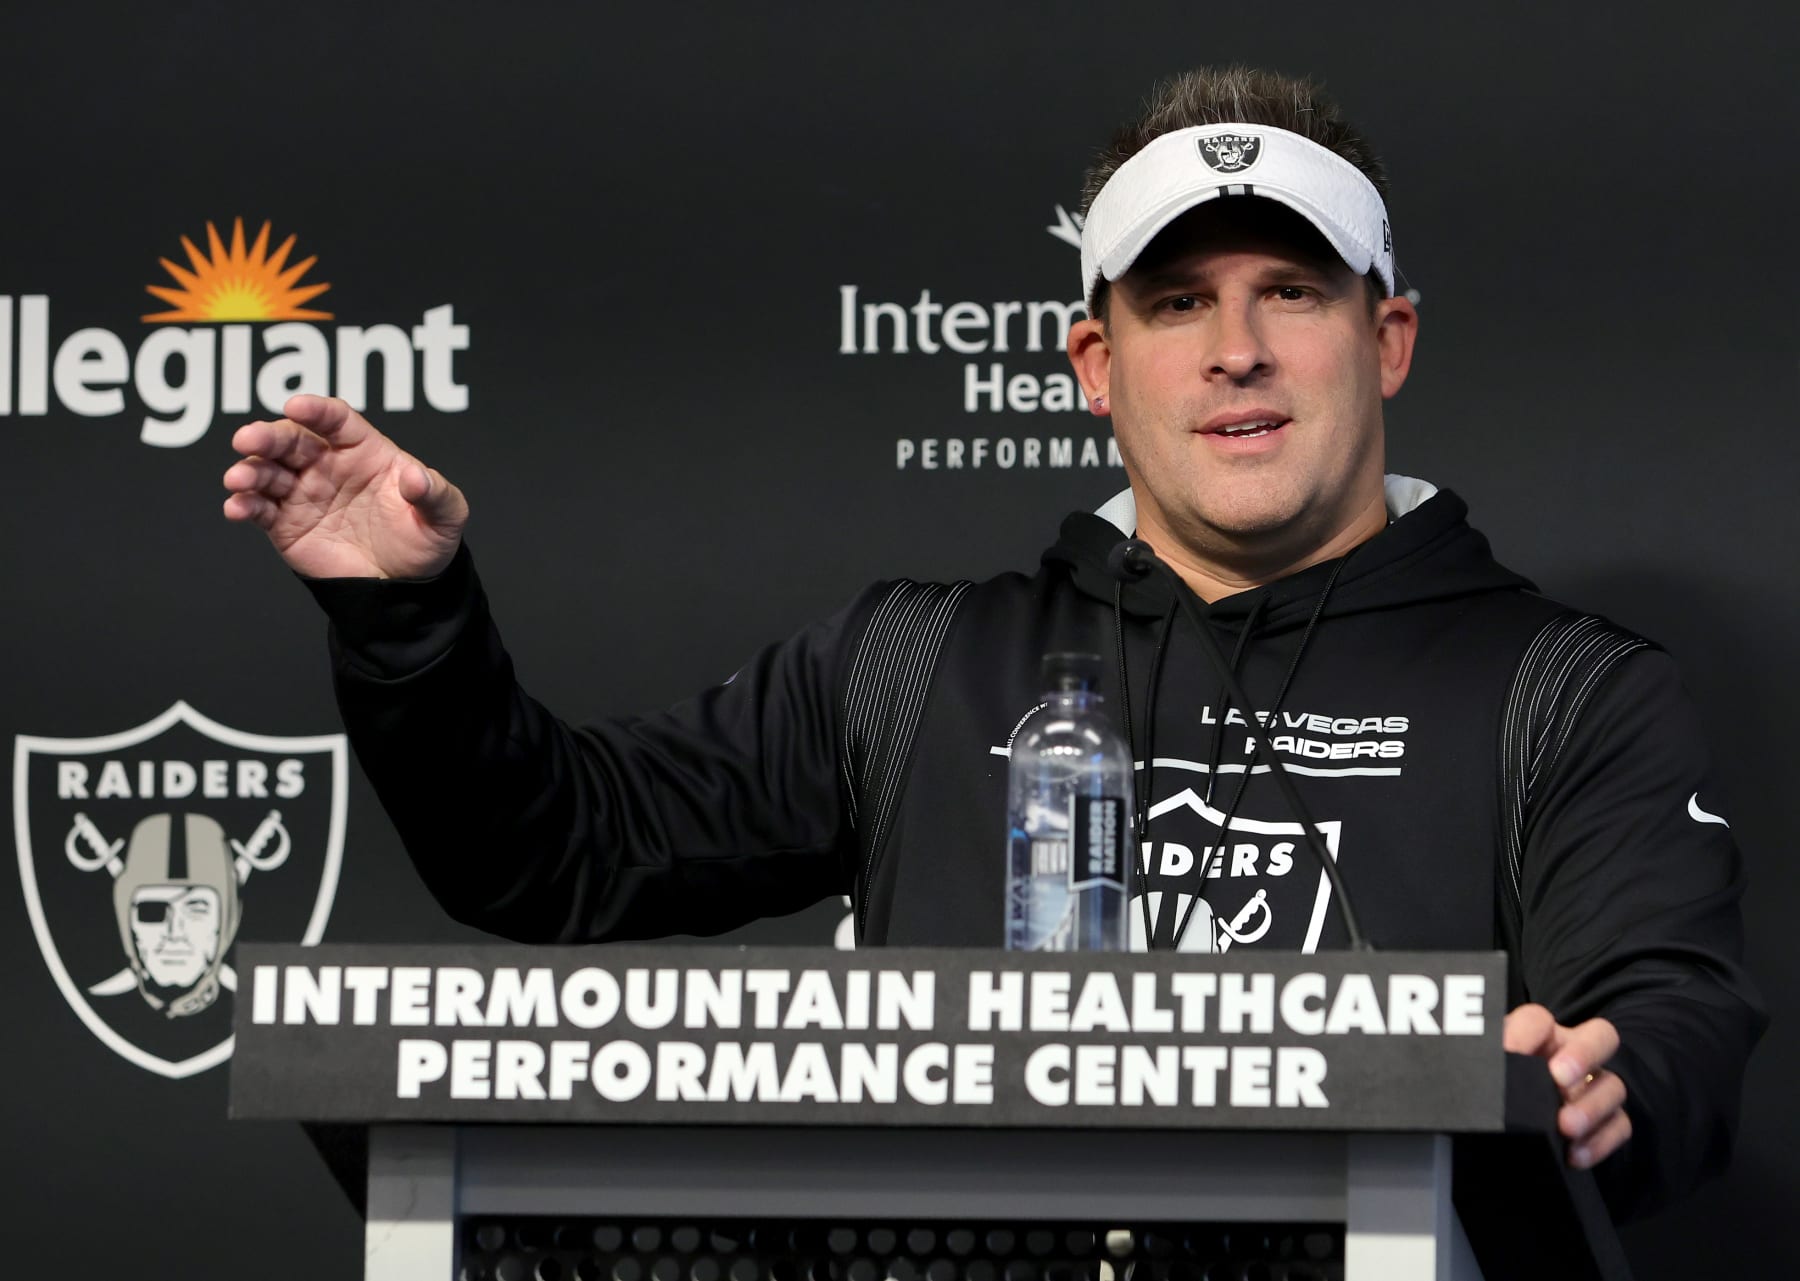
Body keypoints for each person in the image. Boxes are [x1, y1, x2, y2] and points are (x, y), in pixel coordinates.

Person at [221, 66, 1762, 1218]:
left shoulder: (1564, 691)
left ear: (1389, 336)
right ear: (1096, 360)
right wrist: (405, 616)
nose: (1237, 348)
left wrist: (1609, 1080)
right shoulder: (913, 668)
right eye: (1177, 301)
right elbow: (550, 852)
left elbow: (1672, 1018)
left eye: (1290, 290)